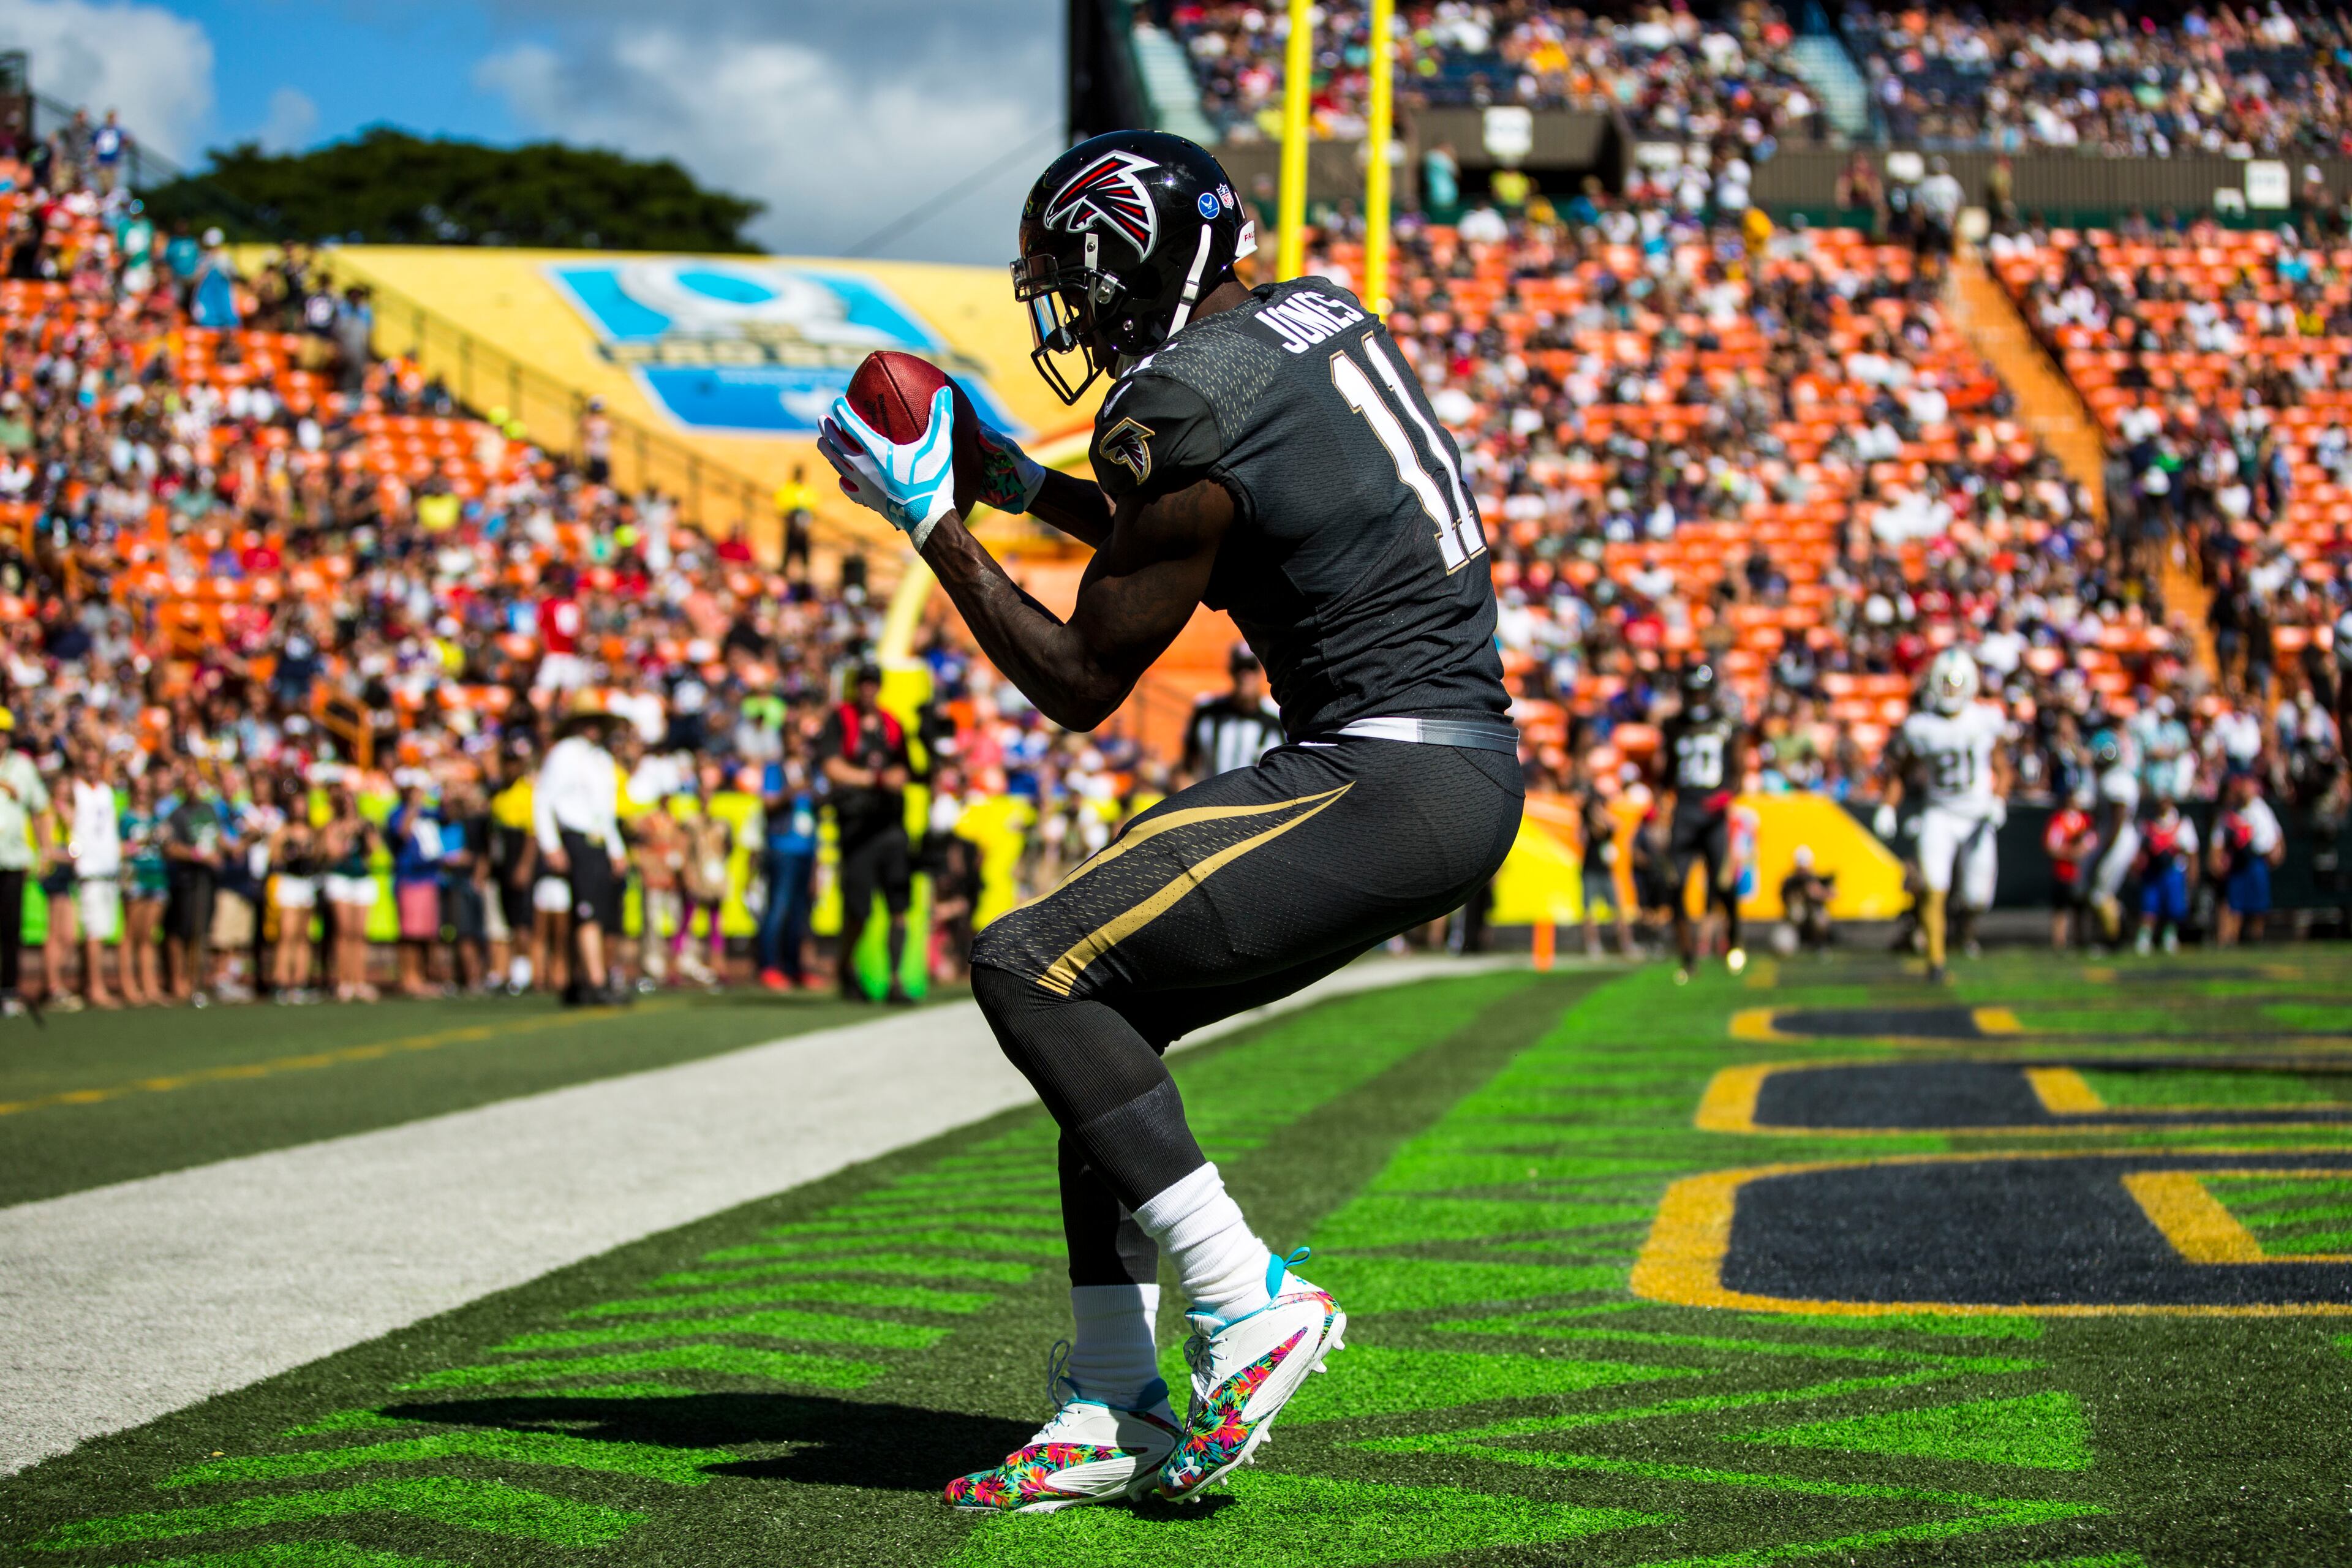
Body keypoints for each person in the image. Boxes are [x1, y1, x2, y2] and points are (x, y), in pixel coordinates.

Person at [821, 129, 1520, 1509]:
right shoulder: (1301, 324)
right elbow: (1203, 525)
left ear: (1127, 258)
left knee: (1029, 959)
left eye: (1073, 282)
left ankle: (1244, 1296)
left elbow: (1082, 681)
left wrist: (933, 528)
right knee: (1104, 1024)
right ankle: (1109, 1400)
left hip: (1380, 769)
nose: (1070, 314)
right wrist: (1022, 488)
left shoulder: (1183, 402)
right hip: (1434, 762)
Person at [1875, 649, 2010, 984]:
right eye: (1945, 685)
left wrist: (1998, 800)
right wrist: (1888, 806)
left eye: (1956, 685)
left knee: (1977, 898)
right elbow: (1902, 772)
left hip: (1977, 814)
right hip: (1940, 812)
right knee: (1934, 887)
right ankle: (1936, 961)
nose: (1950, 692)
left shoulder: (1984, 719)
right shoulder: (1922, 726)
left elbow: (2003, 769)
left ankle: (1960, 926)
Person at [819, 664, 915, 1005]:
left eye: (873, 683)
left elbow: (907, 767)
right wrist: (874, 780)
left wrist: (896, 778)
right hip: (856, 827)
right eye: (863, 683)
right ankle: (846, 970)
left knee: (899, 906)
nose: (868, 690)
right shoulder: (840, 719)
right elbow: (831, 766)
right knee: (858, 909)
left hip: (890, 826)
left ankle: (895, 979)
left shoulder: (891, 725)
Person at [1655, 662, 1747, 981]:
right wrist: (1661, 805)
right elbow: (1665, 773)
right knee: (1675, 884)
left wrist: (1724, 797)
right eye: (1691, 693)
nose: (1696, 699)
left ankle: (1734, 942)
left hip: (1714, 812)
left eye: (1700, 693)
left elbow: (1738, 773)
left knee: (1724, 884)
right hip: (1685, 810)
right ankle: (1687, 955)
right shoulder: (1673, 725)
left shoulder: (1726, 724)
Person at [535, 701, 629, 1005]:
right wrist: (551, 844)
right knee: (586, 911)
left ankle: (587, 979)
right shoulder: (564, 754)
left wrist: (616, 848)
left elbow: (605, 812)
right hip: (575, 837)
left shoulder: (601, 759)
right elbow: (543, 799)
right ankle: (596, 980)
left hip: (599, 839)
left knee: (602, 913)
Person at [62, 745, 122, 1009]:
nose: (92, 769)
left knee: (104, 928)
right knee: (93, 931)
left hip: (109, 867)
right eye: (87, 764)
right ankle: (95, 987)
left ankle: (96, 984)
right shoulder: (77, 790)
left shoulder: (107, 791)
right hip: (90, 869)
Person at [758, 739, 820, 991]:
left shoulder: (812, 770)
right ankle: (769, 966)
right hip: (782, 848)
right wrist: (792, 791)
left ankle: (794, 968)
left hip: (807, 848)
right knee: (778, 909)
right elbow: (768, 803)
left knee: (800, 913)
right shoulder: (776, 769)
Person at [0, 712, 50, 1016]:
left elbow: (41, 809)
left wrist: (44, 852)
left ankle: (7, 989)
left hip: (13, 859)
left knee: (10, 928)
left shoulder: (23, 767)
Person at [1181, 646, 1284, 783]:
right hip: (1211, 799)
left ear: (1260, 673)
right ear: (1231, 672)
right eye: (1239, 669)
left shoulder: (1277, 717)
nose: (1245, 676)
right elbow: (1187, 764)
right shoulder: (1206, 711)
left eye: (1250, 668)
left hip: (1258, 801)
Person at [318, 781, 380, 1003]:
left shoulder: (365, 825)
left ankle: (359, 980)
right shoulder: (333, 826)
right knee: (344, 932)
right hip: (340, 878)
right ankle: (344, 981)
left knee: (359, 933)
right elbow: (332, 853)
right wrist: (345, 835)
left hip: (362, 878)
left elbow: (375, 850)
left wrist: (366, 833)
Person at [2212, 767, 2286, 946]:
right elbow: (2218, 840)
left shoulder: (2261, 810)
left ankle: (2255, 940)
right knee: (2233, 906)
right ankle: (2229, 942)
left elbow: (2276, 838)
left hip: (2256, 862)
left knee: (2258, 908)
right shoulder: (2229, 813)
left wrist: (2277, 853)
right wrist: (2216, 860)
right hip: (2237, 864)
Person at [388, 780, 446, 998]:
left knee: (426, 934)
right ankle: (409, 978)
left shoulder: (428, 813)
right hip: (410, 879)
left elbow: (447, 817)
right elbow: (402, 831)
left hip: (429, 878)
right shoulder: (398, 813)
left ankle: (422, 977)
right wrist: (413, 807)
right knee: (410, 934)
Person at [2086, 731, 2142, 952]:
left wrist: (2105, 849)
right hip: (2121, 835)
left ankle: (2113, 940)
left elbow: (2118, 816)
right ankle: (2118, 935)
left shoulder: (2114, 780)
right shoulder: (2124, 776)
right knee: (2102, 892)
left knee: (2100, 893)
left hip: (2118, 837)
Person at [119, 769, 170, 1006]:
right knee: (132, 934)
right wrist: (142, 840)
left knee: (149, 935)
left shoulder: (156, 818)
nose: (142, 794)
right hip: (135, 877)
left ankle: (149, 985)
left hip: (156, 877)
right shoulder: (126, 818)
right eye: (138, 790)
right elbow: (119, 848)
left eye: (145, 790)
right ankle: (129, 986)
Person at [1576, 764, 1633, 957]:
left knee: (1617, 909)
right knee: (1589, 911)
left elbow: (1613, 826)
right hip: (1591, 869)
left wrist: (1599, 814)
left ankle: (1626, 944)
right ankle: (1593, 945)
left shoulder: (1604, 818)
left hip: (1605, 870)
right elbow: (1584, 836)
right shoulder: (1587, 821)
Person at [2137, 797, 2199, 956]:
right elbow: (2141, 851)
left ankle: (2169, 937)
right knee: (2150, 906)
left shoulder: (2182, 824)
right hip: (2153, 872)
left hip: (2173, 871)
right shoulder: (2148, 825)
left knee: (2174, 907)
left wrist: (2192, 872)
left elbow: (2191, 851)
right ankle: (2145, 938)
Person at [2044, 785, 2098, 951]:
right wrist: (2069, 853)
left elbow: (2092, 843)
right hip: (2063, 871)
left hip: (2081, 872)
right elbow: (2051, 845)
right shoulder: (2059, 820)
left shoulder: (2086, 821)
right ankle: (2059, 942)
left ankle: (2080, 940)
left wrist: (2079, 853)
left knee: (2081, 908)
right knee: (2061, 909)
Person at [1779, 845, 1835, 954]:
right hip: (1796, 923)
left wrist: (1818, 892)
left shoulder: (1815, 880)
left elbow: (1834, 894)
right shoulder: (1790, 882)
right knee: (1796, 914)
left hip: (1812, 920)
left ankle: (1820, 944)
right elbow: (1786, 900)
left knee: (1821, 918)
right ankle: (1795, 943)